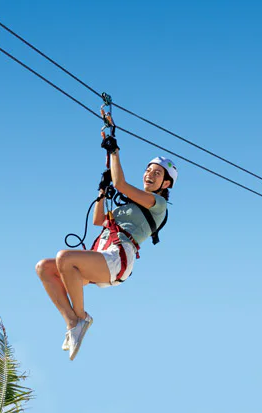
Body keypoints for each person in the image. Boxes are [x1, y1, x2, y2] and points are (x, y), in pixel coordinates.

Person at [36, 119, 176, 360]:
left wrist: (114, 151)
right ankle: (72, 321)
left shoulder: (158, 204)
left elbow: (121, 183)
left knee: (65, 258)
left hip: (118, 258)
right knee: (45, 268)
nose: (149, 174)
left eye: (157, 173)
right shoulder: (128, 206)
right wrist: (102, 191)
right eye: (148, 170)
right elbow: (98, 219)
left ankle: (81, 318)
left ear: (166, 184)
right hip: (103, 253)